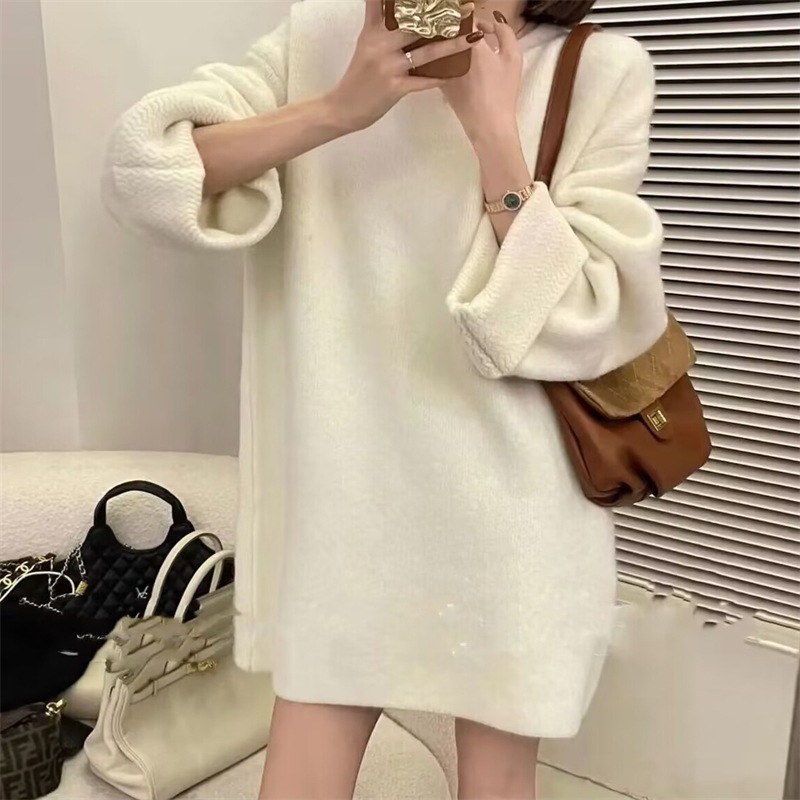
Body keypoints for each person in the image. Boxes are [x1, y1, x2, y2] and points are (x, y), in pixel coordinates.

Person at [103, 0, 666, 796]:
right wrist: (339, 108)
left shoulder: (599, 70)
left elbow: (589, 317)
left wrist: (494, 135)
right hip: (348, 505)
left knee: (498, 783)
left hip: (516, 514)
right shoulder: (325, 40)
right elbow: (143, 173)